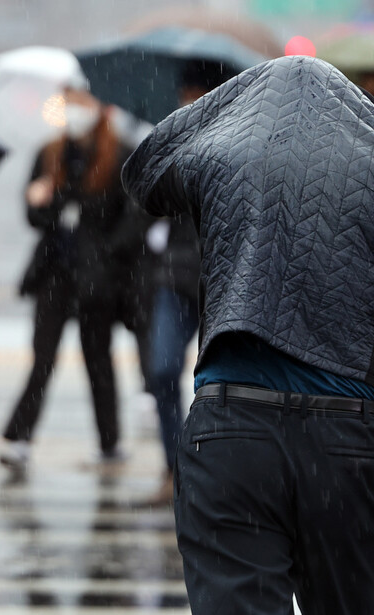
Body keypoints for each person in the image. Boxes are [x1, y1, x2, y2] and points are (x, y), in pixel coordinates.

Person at [122, 56, 374, 614]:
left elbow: (146, 173)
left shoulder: (226, 153)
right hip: (345, 441)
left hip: (231, 434)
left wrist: (227, 107)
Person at [0, 82, 151, 471]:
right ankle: (19, 437)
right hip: (54, 271)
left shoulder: (119, 156)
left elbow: (134, 221)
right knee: (42, 358)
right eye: (68, 102)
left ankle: (109, 441)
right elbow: (35, 219)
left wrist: (107, 256)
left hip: (97, 279)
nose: (74, 110)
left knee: (97, 358)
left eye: (81, 102)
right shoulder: (50, 153)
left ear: (99, 107)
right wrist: (40, 200)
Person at [142, 59, 236, 506]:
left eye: (197, 94)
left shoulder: (240, 142)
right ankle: (175, 468)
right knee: (161, 369)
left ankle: (210, 474)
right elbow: (148, 198)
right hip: (175, 277)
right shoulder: (171, 140)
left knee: (217, 384)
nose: (189, 102)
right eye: (186, 94)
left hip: (223, 281)